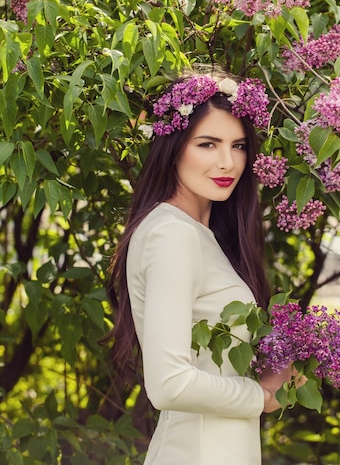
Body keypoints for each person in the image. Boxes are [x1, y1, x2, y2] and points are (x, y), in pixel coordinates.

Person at [105, 69, 293, 465]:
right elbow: (169, 384)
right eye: (208, 144)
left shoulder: (198, 235)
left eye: (238, 146)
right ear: (173, 146)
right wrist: (262, 396)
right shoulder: (171, 234)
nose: (228, 162)